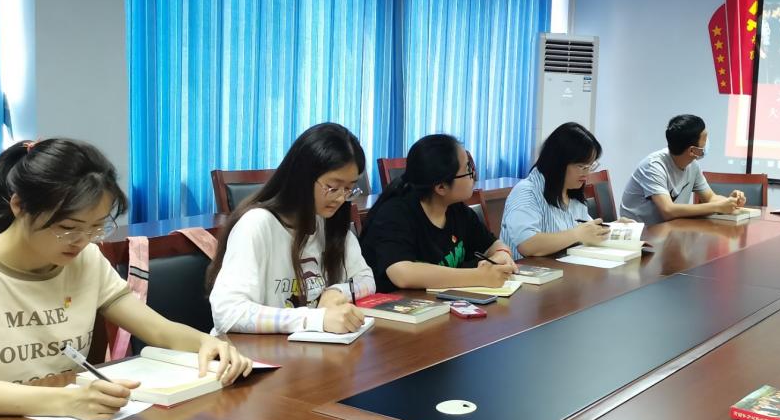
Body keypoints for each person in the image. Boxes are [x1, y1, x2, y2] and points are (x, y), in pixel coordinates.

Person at [0, 138, 253, 420]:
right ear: (19, 206)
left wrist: (208, 343)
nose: (82, 240)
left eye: (96, 227)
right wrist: (64, 401)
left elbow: (158, 329)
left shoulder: (86, 259)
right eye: (67, 227)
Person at [208, 122, 374, 335]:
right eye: (332, 187)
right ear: (303, 177)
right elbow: (227, 314)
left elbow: (366, 280)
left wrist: (336, 291)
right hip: (251, 357)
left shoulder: (329, 223)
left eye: (349, 188)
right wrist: (314, 319)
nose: (341, 198)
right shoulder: (257, 225)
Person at [359, 134, 516, 291]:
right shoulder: (395, 214)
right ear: (441, 187)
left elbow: (491, 244)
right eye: (468, 169)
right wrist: (480, 277)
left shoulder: (456, 209)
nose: (474, 175)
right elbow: (402, 273)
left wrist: (501, 255)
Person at [499, 122, 611, 257]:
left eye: (590, 166)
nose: (587, 173)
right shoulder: (526, 191)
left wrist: (616, 228)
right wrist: (577, 234)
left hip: (566, 269)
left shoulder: (572, 192)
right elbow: (528, 245)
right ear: (559, 163)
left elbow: (588, 230)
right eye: (581, 166)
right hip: (527, 274)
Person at [618, 115, 742, 226]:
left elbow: (710, 198)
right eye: (705, 139)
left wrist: (730, 201)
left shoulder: (693, 166)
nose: (707, 143)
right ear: (692, 151)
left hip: (668, 231)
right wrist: (717, 207)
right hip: (640, 235)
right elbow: (668, 211)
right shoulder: (654, 166)